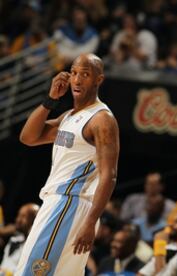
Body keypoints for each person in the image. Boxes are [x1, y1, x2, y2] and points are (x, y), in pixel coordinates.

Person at [16, 53, 120, 275]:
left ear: (98, 80)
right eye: (73, 73)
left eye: (85, 74)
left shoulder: (101, 119)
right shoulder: (69, 116)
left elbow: (109, 175)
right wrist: (50, 100)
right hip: (61, 206)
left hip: (68, 205)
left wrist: (91, 221)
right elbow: (28, 137)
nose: (77, 80)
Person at [0, 203, 39, 274]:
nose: (18, 220)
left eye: (24, 216)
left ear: (34, 220)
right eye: (19, 215)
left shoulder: (34, 247)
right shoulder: (14, 239)